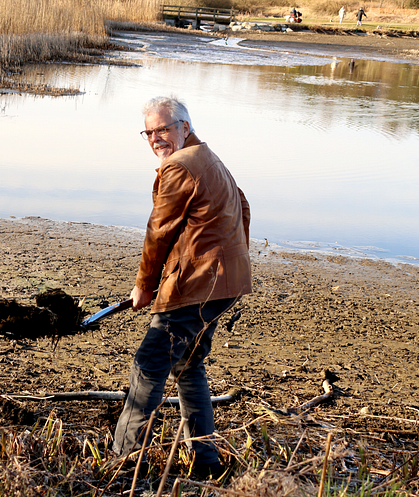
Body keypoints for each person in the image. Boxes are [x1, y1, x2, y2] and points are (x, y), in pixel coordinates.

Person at [112, 96, 251, 479]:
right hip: (225, 284)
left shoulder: (177, 167)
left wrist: (144, 285)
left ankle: (126, 464)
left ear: (184, 127)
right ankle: (207, 462)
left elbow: (159, 232)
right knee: (189, 366)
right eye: (149, 132)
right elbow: (243, 206)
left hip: (200, 287)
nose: (156, 138)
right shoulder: (208, 157)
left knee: (149, 365)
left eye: (163, 129)